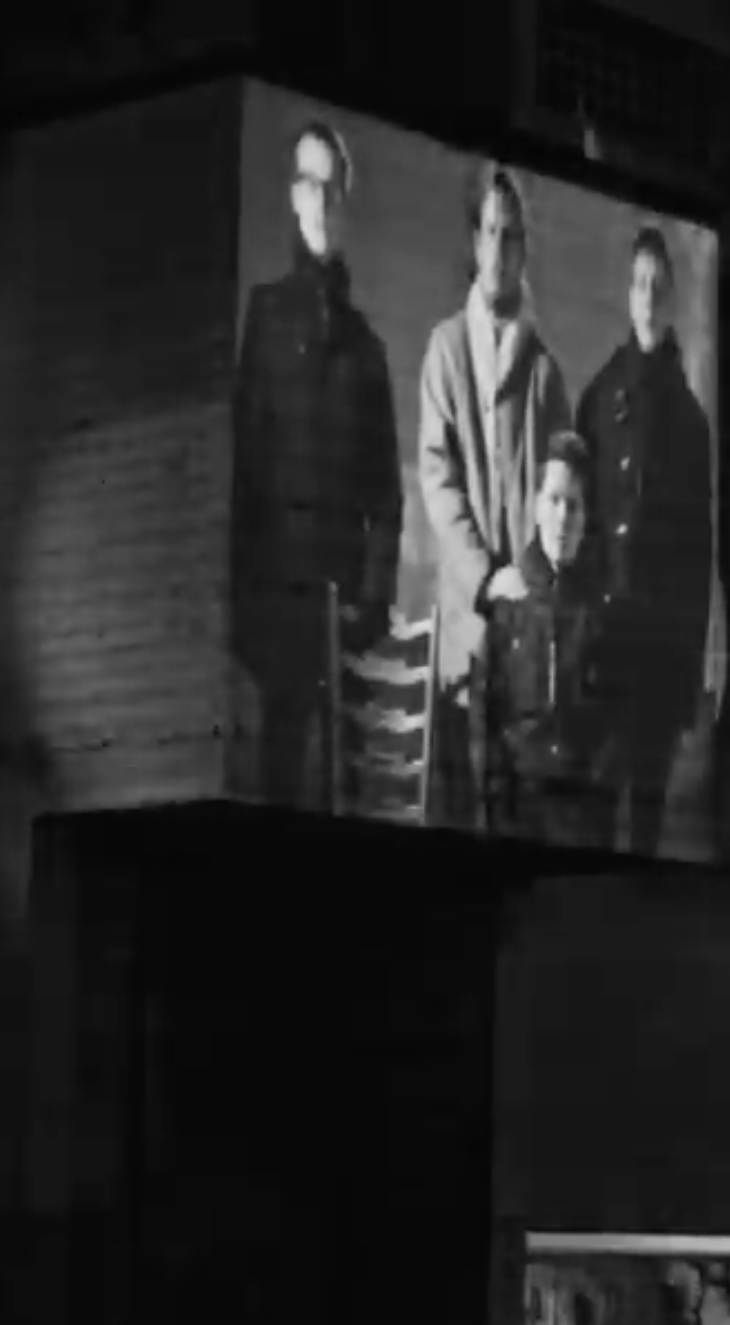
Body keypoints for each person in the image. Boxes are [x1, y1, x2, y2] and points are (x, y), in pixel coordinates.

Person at [231, 120, 402, 812]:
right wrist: (245, 600)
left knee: (344, 794)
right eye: (309, 183)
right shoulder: (266, 317)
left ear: (345, 199)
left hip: (342, 610)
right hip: (279, 601)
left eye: (332, 186)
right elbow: (247, 463)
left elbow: (385, 494)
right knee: (280, 783)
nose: (321, 199)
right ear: (293, 195)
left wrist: (371, 603)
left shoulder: (366, 349)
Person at [418, 165, 573, 828]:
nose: (499, 248)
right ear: (473, 240)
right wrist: (485, 576)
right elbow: (437, 477)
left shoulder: (545, 371)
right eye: (489, 231)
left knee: (518, 814)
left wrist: (527, 579)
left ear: (523, 248)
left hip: (526, 633)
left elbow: (562, 494)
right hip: (466, 620)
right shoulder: (446, 349)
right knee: (460, 807)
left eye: (510, 235)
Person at [575, 225, 717, 857]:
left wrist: (688, 678)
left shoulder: (690, 423)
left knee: (646, 827)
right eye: (639, 283)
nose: (648, 296)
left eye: (658, 285)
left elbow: (697, 556)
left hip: (659, 658)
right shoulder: (599, 398)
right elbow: (580, 528)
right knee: (595, 815)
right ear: (627, 294)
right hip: (605, 646)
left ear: (673, 296)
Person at [476, 432, 610, 848]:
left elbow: (611, 727)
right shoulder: (509, 599)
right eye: (553, 500)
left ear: (586, 516)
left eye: (574, 505)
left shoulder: (600, 610)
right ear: (536, 506)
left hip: (579, 811)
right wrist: (496, 800)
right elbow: (489, 714)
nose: (563, 517)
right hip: (516, 804)